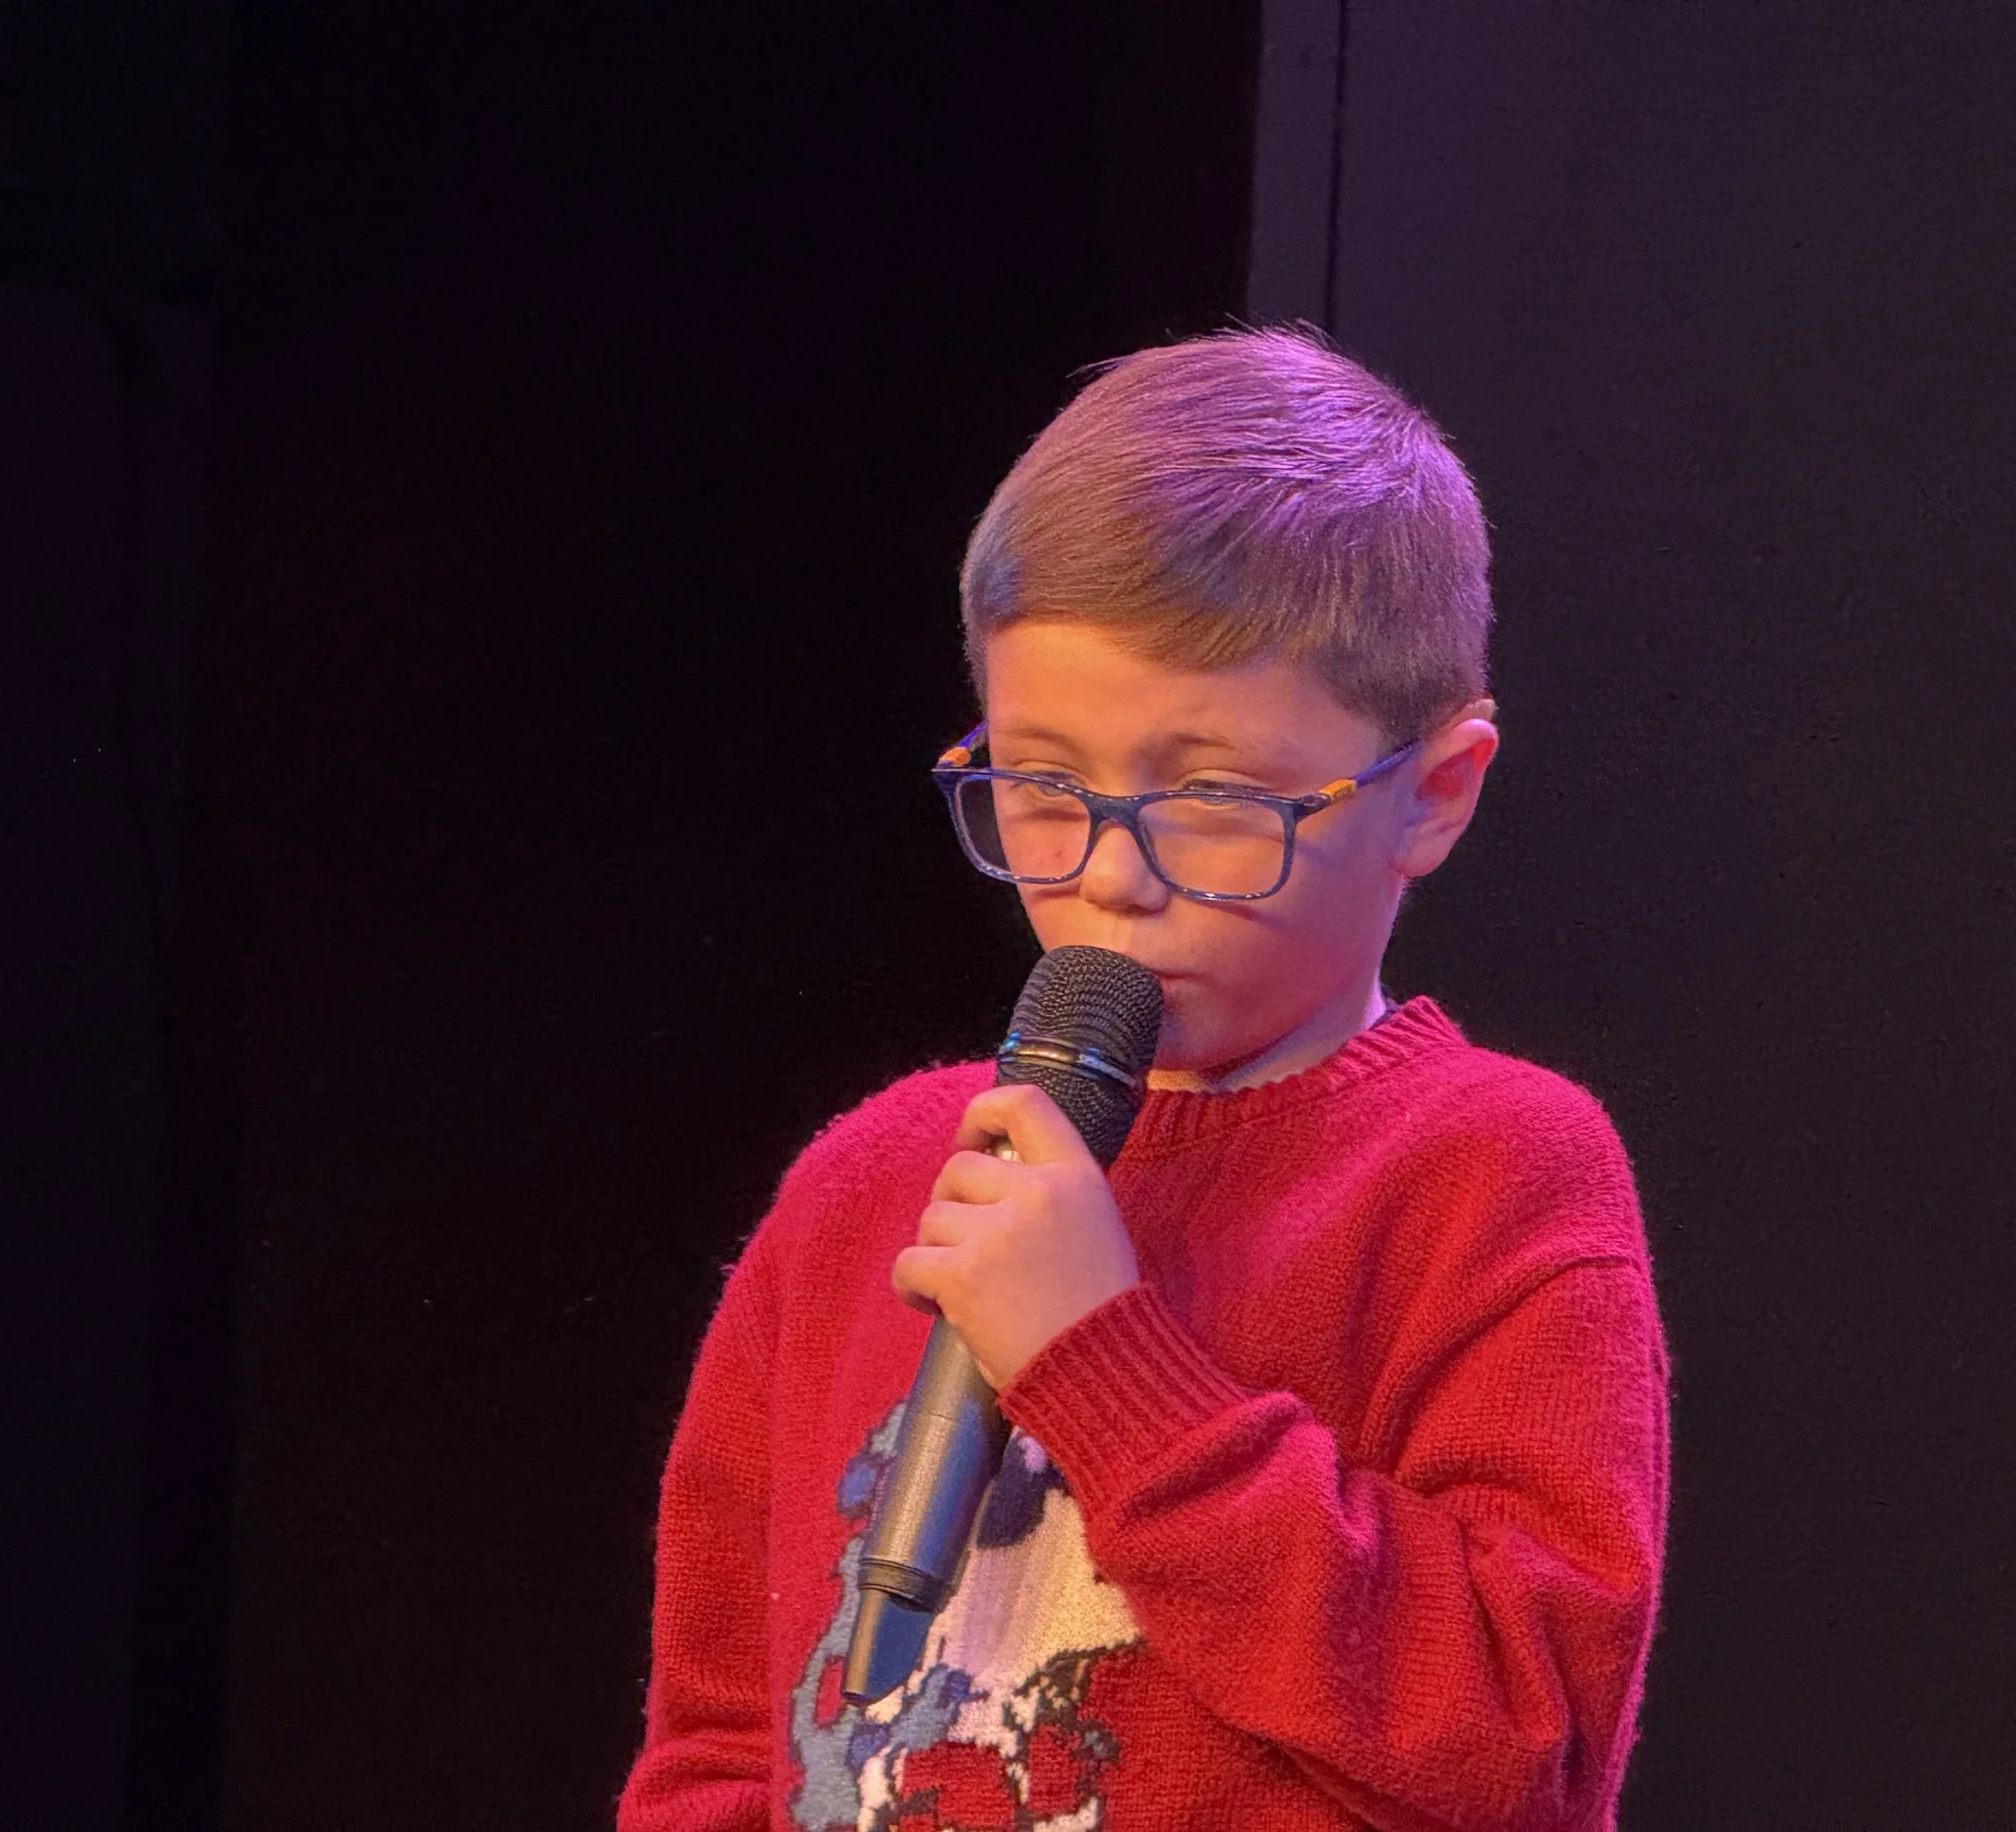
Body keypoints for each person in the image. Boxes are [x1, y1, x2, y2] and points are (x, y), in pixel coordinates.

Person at [617, 326, 1669, 1831]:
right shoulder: (868, 1182)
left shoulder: (1493, 1172)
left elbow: (1515, 1751)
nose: (1110, 875)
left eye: (1218, 798)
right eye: (1046, 789)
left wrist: (1105, 1359)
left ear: (1432, 795)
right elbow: (721, 1736)